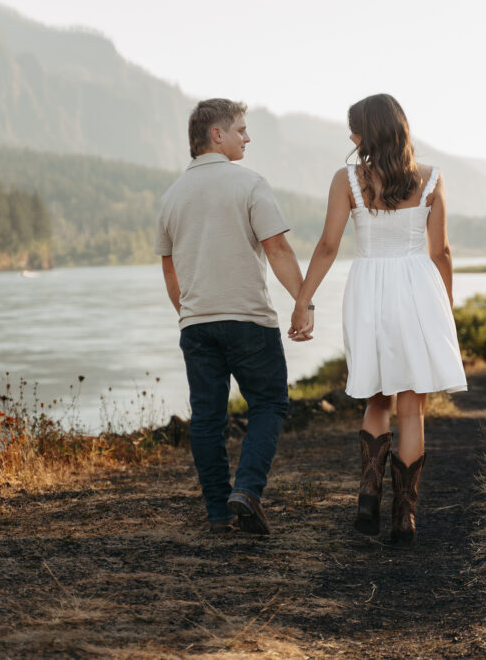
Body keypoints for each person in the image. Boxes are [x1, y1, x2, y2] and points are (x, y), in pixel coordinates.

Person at [289, 93, 467, 547]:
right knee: (412, 408)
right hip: (418, 289)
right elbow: (441, 252)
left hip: (368, 288)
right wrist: (445, 306)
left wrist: (303, 301)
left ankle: (368, 497)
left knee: (376, 399)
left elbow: (328, 246)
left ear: (364, 135)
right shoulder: (431, 178)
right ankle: (404, 517)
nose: (351, 139)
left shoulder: (347, 179)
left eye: (354, 131)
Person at [156, 98, 312, 536]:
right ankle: (246, 490)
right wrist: (303, 303)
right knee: (269, 403)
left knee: (207, 419)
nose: (248, 137)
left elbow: (169, 269)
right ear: (216, 134)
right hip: (249, 321)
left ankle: (218, 513)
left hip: (196, 324)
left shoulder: (171, 196)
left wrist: (189, 315)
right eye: (241, 129)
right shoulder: (250, 183)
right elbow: (277, 249)